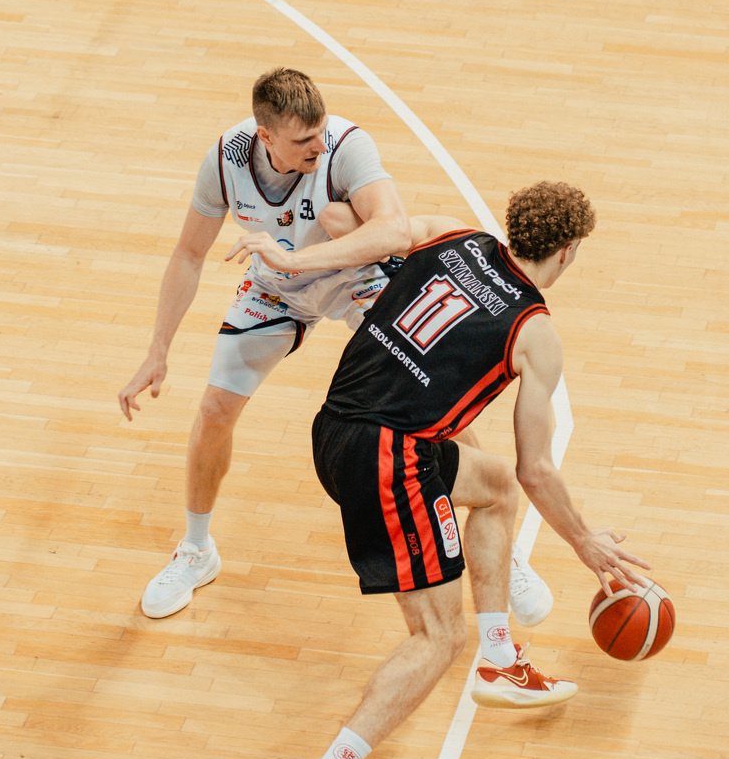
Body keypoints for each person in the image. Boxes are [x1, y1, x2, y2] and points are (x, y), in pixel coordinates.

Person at [282, 182, 652, 759]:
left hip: (334, 428)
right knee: (437, 638)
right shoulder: (535, 332)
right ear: (567, 251)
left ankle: (499, 658)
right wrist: (585, 542)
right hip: (389, 460)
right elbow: (540, 467)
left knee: (497, 484)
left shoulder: (453, 235)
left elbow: (377, 229)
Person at [117, 68, 553, 623]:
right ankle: (197, 551)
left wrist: (296, 258)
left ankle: (503, 549)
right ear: (265, 135)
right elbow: (188, 254)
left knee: (426, 392)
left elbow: (394, 231)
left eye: (320, 132)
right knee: (214, 409)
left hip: (356, 276)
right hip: (277, 288)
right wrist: (157, 350)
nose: (317, 145)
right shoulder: (224, 162)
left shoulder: (346, 146)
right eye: (303, 140)